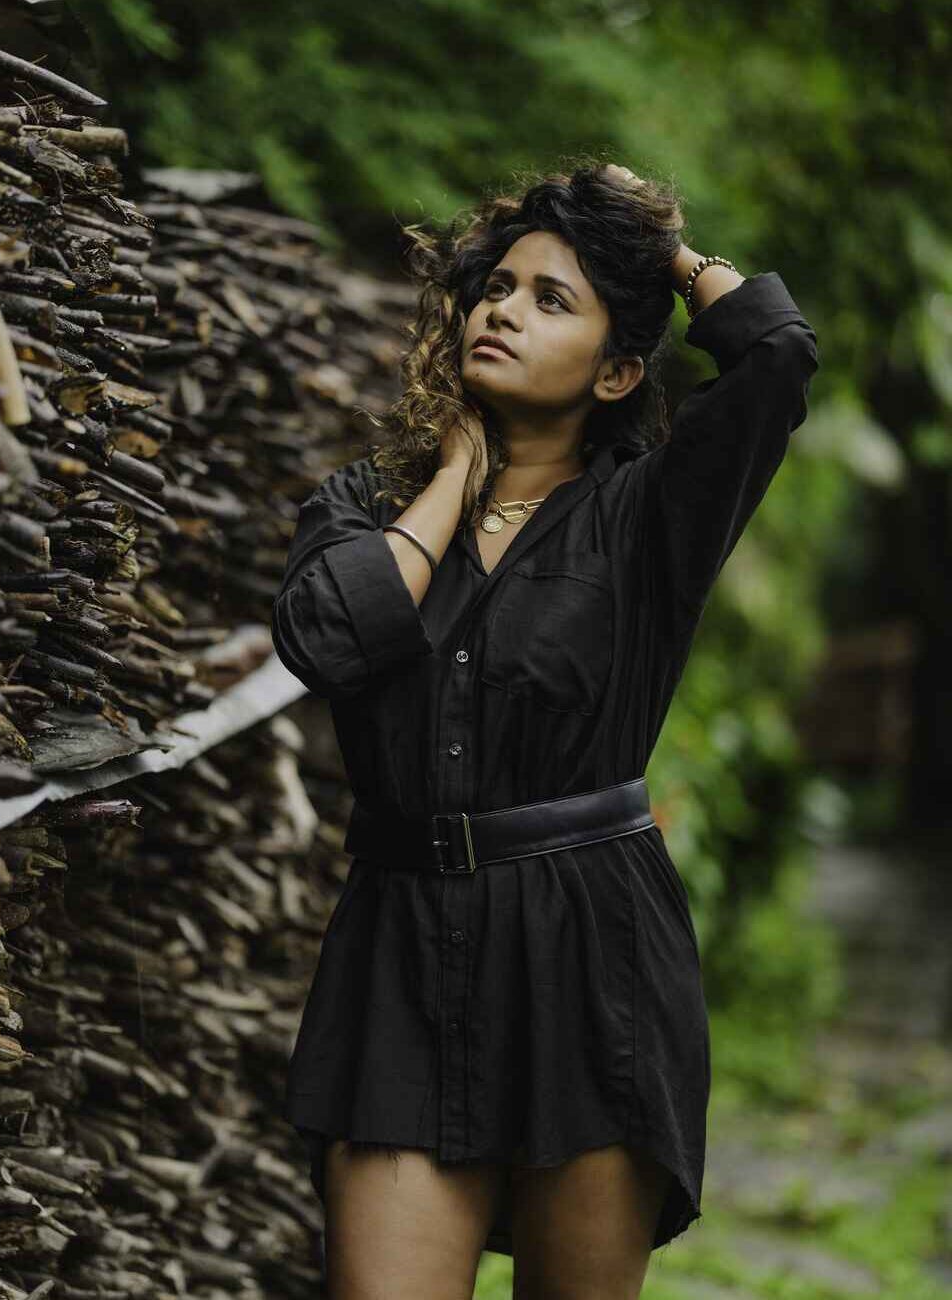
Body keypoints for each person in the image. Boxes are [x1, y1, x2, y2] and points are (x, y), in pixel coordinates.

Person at [271, 160, 819, 1300]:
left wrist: (652, 244)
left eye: (551, 299)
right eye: (497, 287)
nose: (504, 309)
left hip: (590, 957)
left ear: (619, 369)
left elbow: (771, 359)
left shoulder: (651, 517)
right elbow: (326, 636)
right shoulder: (364, 508)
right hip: (401, 953)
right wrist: (457, 471)